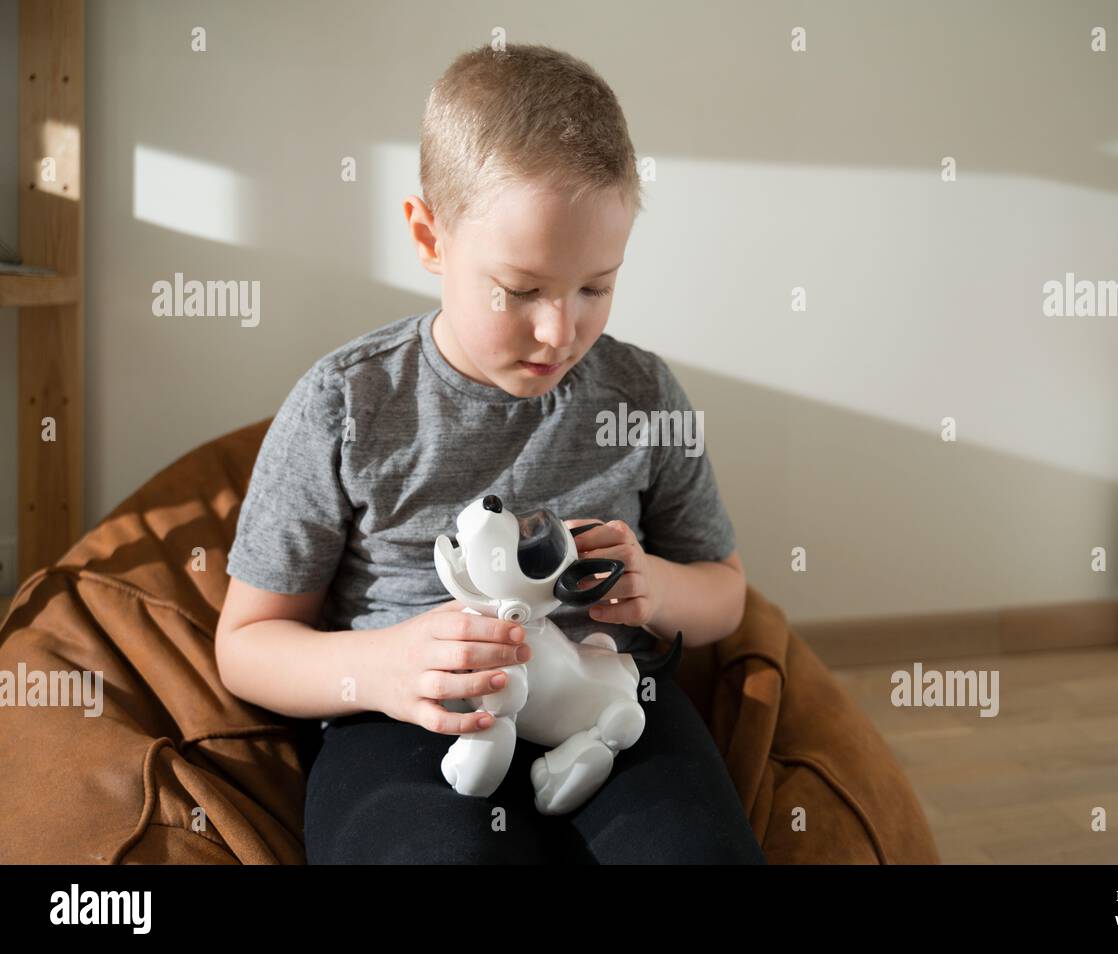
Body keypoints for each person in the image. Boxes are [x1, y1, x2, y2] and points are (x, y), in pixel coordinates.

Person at [215, 42, 765, 864]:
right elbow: (247, 644)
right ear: (429, 237)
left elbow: (726, 595)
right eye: (523, 288)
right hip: (408, 722)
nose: (561, 332)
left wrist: (661, 589)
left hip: (607, 703)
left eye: (595, 287)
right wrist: (383, 668)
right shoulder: (347, 404)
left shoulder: (642, 396)